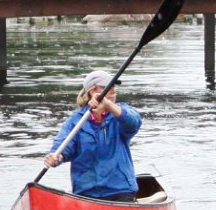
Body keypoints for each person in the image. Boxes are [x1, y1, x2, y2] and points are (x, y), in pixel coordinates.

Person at [44, 70, 143, 202]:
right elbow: (62, 148)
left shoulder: (120, 113)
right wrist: (55, 157)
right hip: (86, 192)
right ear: (92, 92)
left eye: (114, 87)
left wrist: (108, 105)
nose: (113, 91)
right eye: (107, 87)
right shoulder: (75, 121)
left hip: (120, 190)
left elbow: (134, 123)